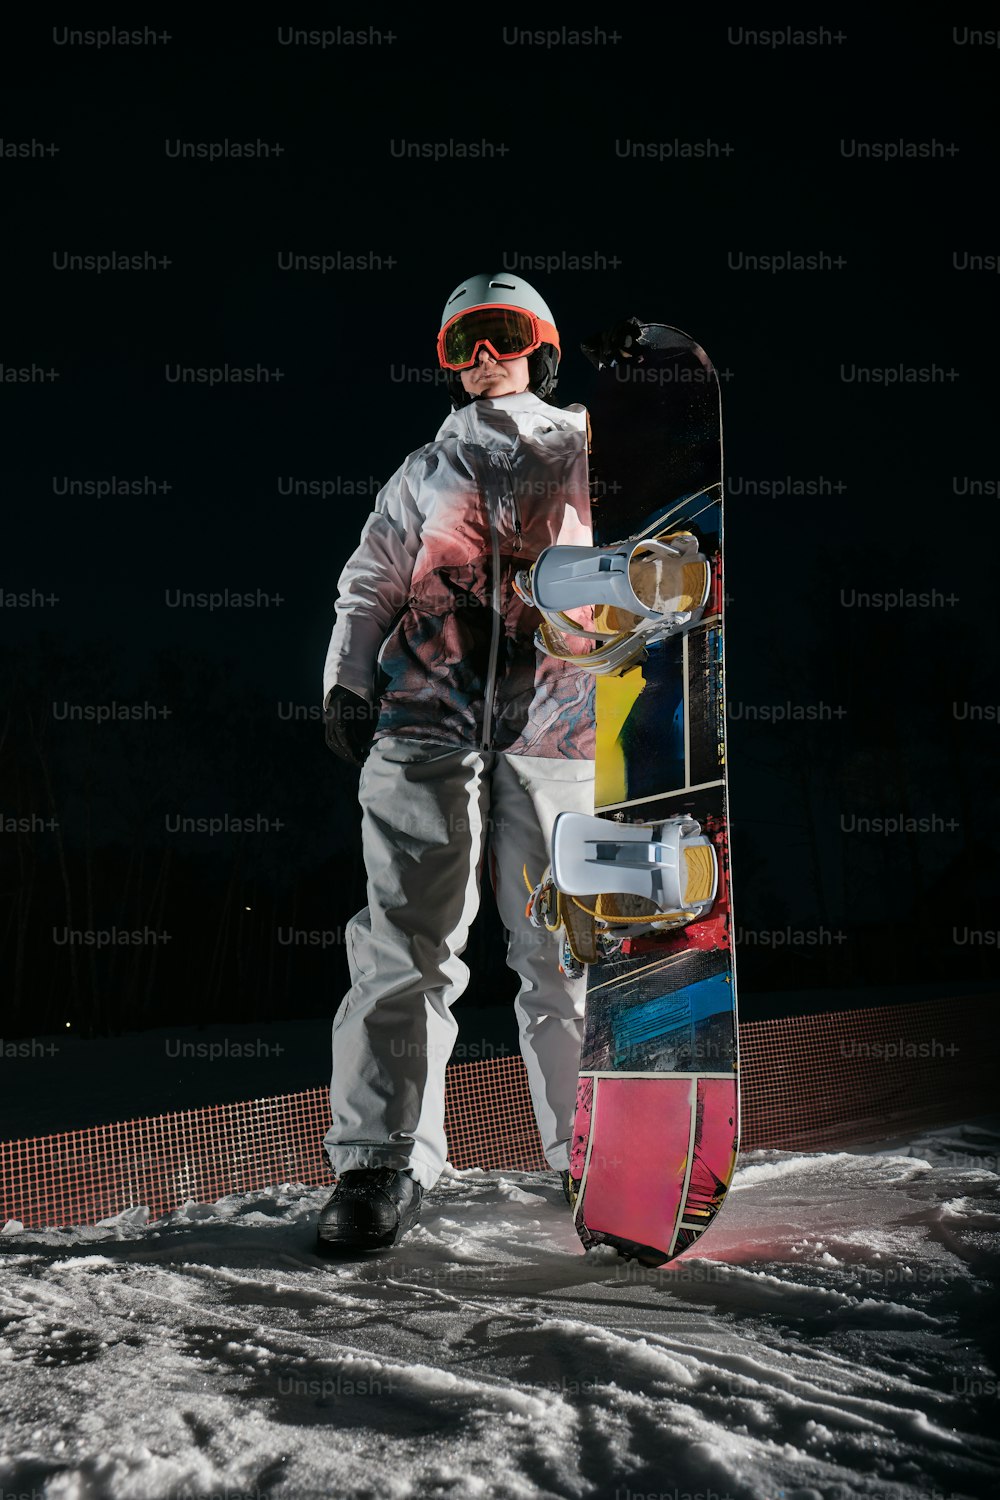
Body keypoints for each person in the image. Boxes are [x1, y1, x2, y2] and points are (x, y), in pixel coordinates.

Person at [317, 273, 597, 1251]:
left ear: (542, 347)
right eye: (460, 341)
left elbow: (651, 560)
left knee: (560, 946)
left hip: (557, 719)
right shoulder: (422, 468)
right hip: (427, 713)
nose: (481, 353)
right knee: (404, 943)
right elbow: (370, 578)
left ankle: (593, 1158)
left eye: (503, 334)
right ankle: (379, 1165)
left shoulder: (587, 449)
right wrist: (346, 679)